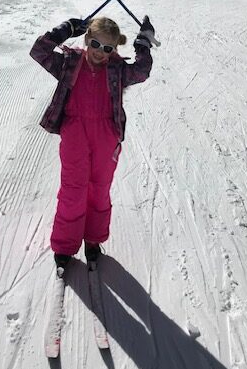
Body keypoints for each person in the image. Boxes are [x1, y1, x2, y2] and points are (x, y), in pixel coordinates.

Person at [30, 15, 155, 274]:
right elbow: (39, 51)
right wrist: (65, 29)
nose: (100, 52)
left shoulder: (117, 69)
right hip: (75, 131)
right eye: (96, 44)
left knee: (99, 189)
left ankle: (93, 241)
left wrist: (143, 43)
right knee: (73, 189)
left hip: (106, 133)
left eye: (108, 48)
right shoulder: (69, 62)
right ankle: (64, 246)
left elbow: (141, 71)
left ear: (115, 50)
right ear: (87, 39)